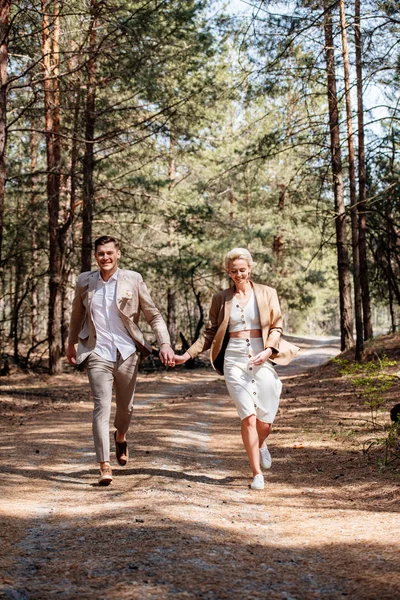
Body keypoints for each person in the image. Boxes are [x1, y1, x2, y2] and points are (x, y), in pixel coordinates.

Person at [174, 248, 298, 490]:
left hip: (261, 356)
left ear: (249, 269)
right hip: (234, 360)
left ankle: (261, 444)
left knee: (266, 419)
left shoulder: (267, 293)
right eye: (233, 271)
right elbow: (209, 333)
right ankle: (257, 473)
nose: (238, 274)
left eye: (242, 270)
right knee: (248, 417)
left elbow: (276, 326)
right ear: (228, 272)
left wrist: (269, 350)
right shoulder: (221, 298)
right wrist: (186, 355)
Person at [67, 235, 175, 486]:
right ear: (96, 256)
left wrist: (165, 343)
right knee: (100, 407)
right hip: (97, 352)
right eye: (100, 253)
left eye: (109, 253)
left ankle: (121, 435)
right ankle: (104, 466)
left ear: (118, 254)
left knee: (125, 408)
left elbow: (153, 314)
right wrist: (71, 343)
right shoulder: (85, 281)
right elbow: (76, 313)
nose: (105, 257)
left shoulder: (132, 279)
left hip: (126, 352)